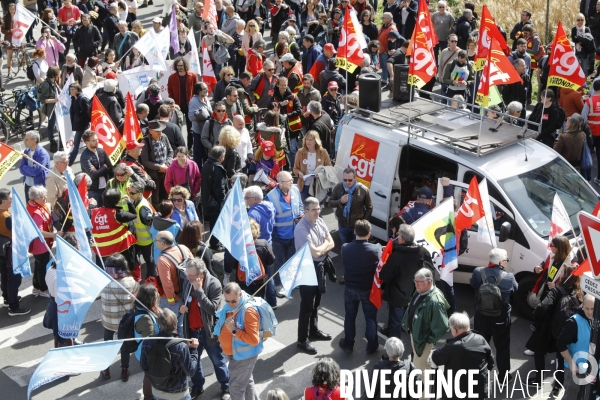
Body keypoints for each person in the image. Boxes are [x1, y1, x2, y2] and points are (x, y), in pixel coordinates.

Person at [179, 258, 231, 400]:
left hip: (208, 331)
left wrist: (199, 291)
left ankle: (226, 385)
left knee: (217, 360)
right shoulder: (187, 281)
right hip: (192, 331)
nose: (188, 278)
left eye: (191, 276)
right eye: (187, 275)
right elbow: (183, 299)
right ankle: (197, 386)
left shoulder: (214, 284)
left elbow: (213, 309)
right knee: (194, 362)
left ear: (201, 274)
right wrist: (182, 306)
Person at [528, 264, 582, 394]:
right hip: (565, 329)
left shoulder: (556, 291)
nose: (560, 275)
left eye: (562, 273)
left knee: (539, 351)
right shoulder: (578, 292)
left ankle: (538, 380)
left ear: (565, 277)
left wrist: (536, 316)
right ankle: (557, 386)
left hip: (548, 328)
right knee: (561, 358)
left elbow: (542, 307)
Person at [470, 248, 518, 382]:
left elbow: (473, 284)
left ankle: (479, 374)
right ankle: (503, 376)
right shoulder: (509, 277)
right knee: (502, 347)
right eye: (506, 260)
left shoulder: (478, 272)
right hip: (500, 319)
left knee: (480, 346)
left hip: (481, 317)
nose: (507, 263)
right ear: (501, 262)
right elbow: (515, 289)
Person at [294, 197, 334, 354]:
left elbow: (332, 242)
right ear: (305, 211)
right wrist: (324, 247)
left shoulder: (319, 220)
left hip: (319, 266)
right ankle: (302, 340)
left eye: (319, 208)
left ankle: (314, 330)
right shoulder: (301, 229)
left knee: (317, 302)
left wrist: (321, 247)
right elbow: (316, 252)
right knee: (306, 306)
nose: (318, 212)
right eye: (314, 209)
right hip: (307, 269)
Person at [379, 224, 433, 340]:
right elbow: (430, 272)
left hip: (398, 296)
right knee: (405, 318)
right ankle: (390, 330)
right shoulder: (423, 252)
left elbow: (384, 275)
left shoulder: (397, 256)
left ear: (402, 239)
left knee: (395, 322)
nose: (397, 237)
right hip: (416, 295)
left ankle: (393, 351)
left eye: (398, 235)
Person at [338, 220, 381, 353]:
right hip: (368, 290)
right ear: (369, 234)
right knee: (370, 318)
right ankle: (372, 345)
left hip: (350, 288)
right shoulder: (375, 249)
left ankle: (349, 343)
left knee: (350, 317)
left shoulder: (345, 247)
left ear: (355, 232)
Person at [214, 282, 262, 400]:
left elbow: (254, 339)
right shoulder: (231, 307)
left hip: (243, 357)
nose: (230, 304)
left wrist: (234, 330)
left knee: (236, 389)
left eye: (233, 301)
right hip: (237, 355)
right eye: (227, 301)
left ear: (240, 294)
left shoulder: (248, 311)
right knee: (246, 383)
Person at [430, 312, 494, 399]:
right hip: (479, 390)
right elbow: (490, 362)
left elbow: (435, 357)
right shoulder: (480, 339)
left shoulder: (453, 347)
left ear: (455, 330)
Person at [141, 308, 200, 400]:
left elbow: (144, 367)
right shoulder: (181, 347)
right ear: (175, 325)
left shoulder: (147, 342)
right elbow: (190, 371)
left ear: (158, 324)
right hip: (178, 394)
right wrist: (193, 350)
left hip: (157, 392)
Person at [400, 268, 449, 372]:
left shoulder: (435, 301)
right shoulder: (420, 291)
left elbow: (442, 326)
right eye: (415, 281)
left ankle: (420, 388)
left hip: (422, 340)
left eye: (419, 282)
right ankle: (427, 384)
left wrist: (427, 340)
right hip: (417, 336)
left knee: (418, 369)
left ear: (429, 282)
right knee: (424, 363)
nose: (416, 285)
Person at [100, 253, 139, 381]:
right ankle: (124, 370)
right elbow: (137, 297)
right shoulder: (131, 282)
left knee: (107, 342)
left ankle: (105, 369)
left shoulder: (103, 281)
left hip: (108, 320)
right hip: (125, 321)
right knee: (124, 345)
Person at [266, 171, 304, 297]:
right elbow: (269, 221)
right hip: (279, 238)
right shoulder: (271, 197)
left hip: (294, 235)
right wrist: (274, 237)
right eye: (289, 181)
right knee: (279, 262)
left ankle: (290, 281)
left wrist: (301, 216)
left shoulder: (295, 191)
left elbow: (300, 206)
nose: (292, 183)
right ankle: (278, 285)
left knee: (292, 260)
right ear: (281, 183)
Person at [557, 294, 596, 399]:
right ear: (582, 305)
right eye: (587, 308)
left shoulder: (595, 319)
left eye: (592, 308)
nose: (590, 312)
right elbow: (560, 343)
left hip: (590, 370)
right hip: (576, 371)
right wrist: (571, 363)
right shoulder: (573, 322)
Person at [155, 231, 192, 338]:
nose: (155, 242)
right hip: (186, 293)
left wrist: (171, 301)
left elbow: (167, 284)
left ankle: (175, 346)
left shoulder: (163, 260)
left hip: (172, 299)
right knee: (183, 323)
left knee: (171, 325)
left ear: (162, 244)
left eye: (156, 240)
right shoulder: (183, 248)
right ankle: (184, 345)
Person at [27, 186, 61, 299]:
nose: (45, 198)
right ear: (35, 198)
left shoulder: (35, 206)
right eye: (42, 196)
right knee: (42, 267)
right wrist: (55, 235)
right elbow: (39, 232)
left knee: (38, 265)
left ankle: (36, 287)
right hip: (40, 244)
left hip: (39, 244)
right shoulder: (36, 212)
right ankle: (43, 288)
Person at [91, 189, 138, 268]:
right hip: (118, 250)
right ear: (116, 200)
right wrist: (129, 202)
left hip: (100, 251)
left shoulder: (94, 212)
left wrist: (91, 205)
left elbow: (85, 213)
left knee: (105, 273)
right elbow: (134, 215)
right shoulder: (118, 214)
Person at [0, 189, 29, 315]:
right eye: (10, 199)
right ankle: (14, 307)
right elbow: (20, 232)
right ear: (4, 201)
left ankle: (7, 298)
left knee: (5, 275)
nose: (12, 200)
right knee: (14, 277)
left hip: (2, 250)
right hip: (10, 251)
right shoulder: (7, 217)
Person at [329, 167, 373, 247]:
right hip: (342, 225)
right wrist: (340, 201)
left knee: (358, 249)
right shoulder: (338, 187)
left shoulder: (363, 190)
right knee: (345, 247)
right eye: (345, 180)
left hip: (357, 227)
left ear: (355, 178)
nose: (347, 182)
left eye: (350, 180)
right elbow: (330, 202)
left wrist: (362, 223)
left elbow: (369, 208)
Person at [141, 120, 174, 208]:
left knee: (166, 196)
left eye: (161, 130)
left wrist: (167, 163)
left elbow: (170, 151)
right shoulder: (145, 142)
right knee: (155, 199)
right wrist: (159, 167)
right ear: (151, 131)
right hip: (154, 175)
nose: (160, 133)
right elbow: (145, 161)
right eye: (157, 131)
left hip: (166, 173)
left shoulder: (164, 137)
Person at [126, 181, 155, 280]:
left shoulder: (143, 208)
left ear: (140, 194)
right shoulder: (135, 201)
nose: (130, 194)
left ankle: (151, 279)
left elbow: (150, 225)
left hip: (146, 241)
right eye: (129, 192)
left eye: (132, 193)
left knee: (149, 262)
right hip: (139, 240)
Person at [201, 146, 228, 251]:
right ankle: (215, 244)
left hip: (207, 200)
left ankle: (214, 243)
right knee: (216, 224)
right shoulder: (217, 168)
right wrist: (223, 201)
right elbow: (219, 188)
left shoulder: (206, 165)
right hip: (215, 203)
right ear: (221, 157)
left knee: (213, 223)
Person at [293, 130, 332, 202]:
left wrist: (321, 174)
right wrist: (299, 173)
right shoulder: (300, 152)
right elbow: (295, 169)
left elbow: (329, 167)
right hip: (305, 186)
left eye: (310, 140)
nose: (308, 142)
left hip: (318, 186)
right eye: (306, 139)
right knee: (306, 208)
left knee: (317, 208)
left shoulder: (323, 152)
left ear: (316, 141)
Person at [168, 57, 199, 140]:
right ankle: (179, 148)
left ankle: (190, 148)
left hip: (190, 106)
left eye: (181, 65)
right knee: (177, 128)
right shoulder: (172, 77)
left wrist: (195, 102)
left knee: (191, 129)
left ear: (185, 65)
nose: (179, 67)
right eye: (178, 66)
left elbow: (197, 90)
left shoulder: (192, 76)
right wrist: (173, 104)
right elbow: (170, 92)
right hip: (178, 106)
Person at [80, 130, 112, 206]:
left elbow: (110, 167)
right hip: (94, 190)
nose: (97, 141)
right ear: (87, 142)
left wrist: (98, 171)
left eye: (97, 139)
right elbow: (93, 175)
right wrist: (104, 168)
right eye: (94, 140)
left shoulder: (101, 151)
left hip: (106, 186)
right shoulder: (85, 157)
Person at [19, 132, 50, 203]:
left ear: (34, 140)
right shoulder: (26, 151)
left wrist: (26, 168)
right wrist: (31, 171)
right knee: (29, 207)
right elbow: (21, 169)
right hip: (27, 184)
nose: (24, 141)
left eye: (27, 139)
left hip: (38, 186)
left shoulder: (42, 154)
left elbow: (36, 172)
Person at [38, 66, 62, 153]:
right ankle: (52, 141)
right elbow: (42, 99)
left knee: (58, 125)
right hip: (52, 109)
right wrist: (54, 100)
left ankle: (60, 141)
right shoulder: (46, 84)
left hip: (57, 107)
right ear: (55, 74)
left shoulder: (53, 82)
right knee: (51, 126)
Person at [68, 83, 91, 166]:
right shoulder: (73, 98)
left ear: (77, 89)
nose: (71, 91)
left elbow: (87, 113)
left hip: (82, 125)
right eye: (70, 89)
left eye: (73, 89)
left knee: (76, 145)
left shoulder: (82, 99)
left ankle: (70, 162)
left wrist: (78, 120)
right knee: (88, 142)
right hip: (78, 124)